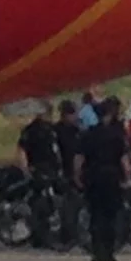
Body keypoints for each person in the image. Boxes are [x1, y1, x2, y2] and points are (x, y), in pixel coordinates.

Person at [80, 94, 131, 261]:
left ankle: (96, 251)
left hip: (93, 177)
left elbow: (78, 159)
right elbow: (123, 159)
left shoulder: (88, 134)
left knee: (95, 214)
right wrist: (127, 178)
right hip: (111, 177)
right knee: (110, 216)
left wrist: (77, 176)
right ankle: (108, 252)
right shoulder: (116, 136)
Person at [51, 96, 86, 250]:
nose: (74, 117)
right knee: (67, 206)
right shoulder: (56, 131)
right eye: (71, 114)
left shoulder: (78, 130)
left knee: (76, 204)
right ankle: (66, 235)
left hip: (76, 170)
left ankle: (73, 233)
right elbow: (56, 152)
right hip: (64, 170)